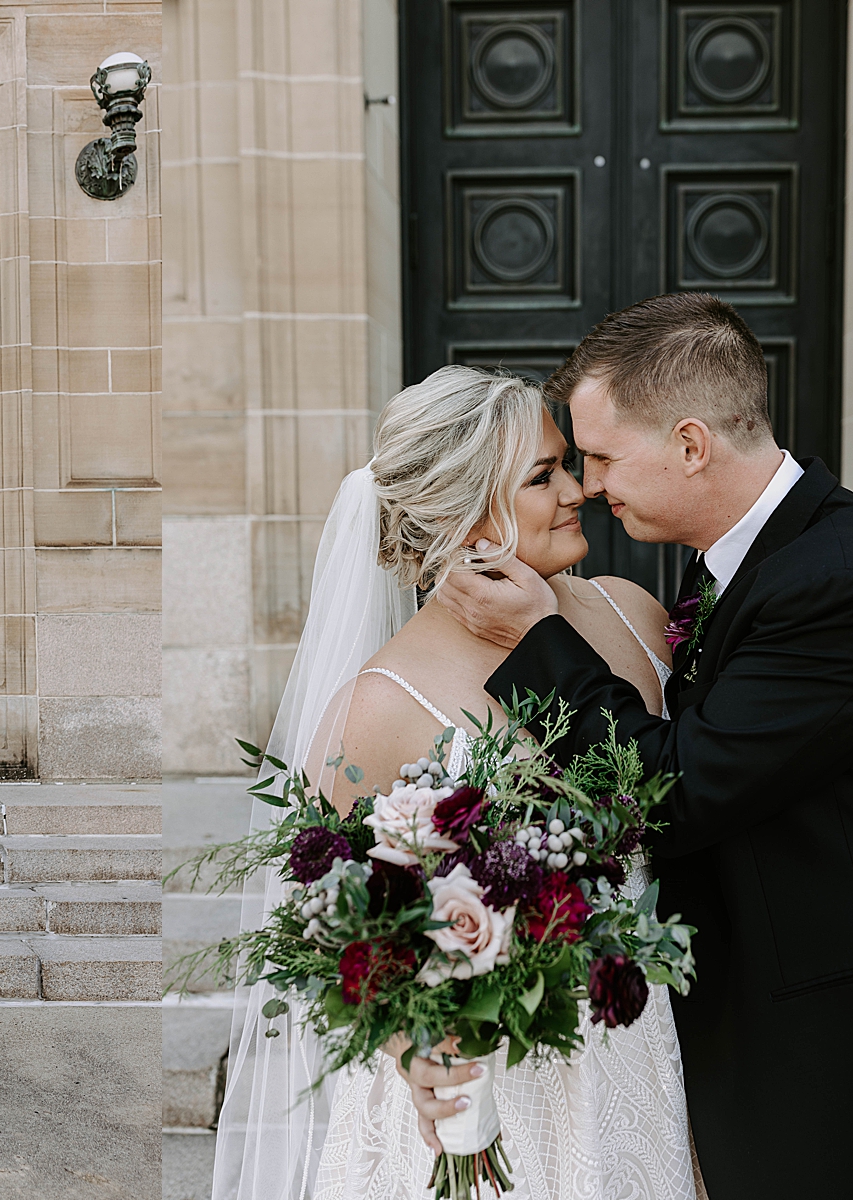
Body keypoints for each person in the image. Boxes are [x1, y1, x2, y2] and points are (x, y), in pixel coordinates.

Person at [437, 292, 853, 1199]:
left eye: (600, 456)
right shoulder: (752, 560)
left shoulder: (840, 584)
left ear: (690, 444)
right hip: (769, 1031)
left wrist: (536, 643)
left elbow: (674, 794)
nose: (591, 487)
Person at [213, 365, 700, 1200]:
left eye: (565, 465)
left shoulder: (631, 613)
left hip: (650, 1047)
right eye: (543, 477)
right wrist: (413, 1053)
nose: (579, 489)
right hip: (494, 1085)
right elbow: (332, 929)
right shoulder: (380, 704)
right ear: (467, 515)